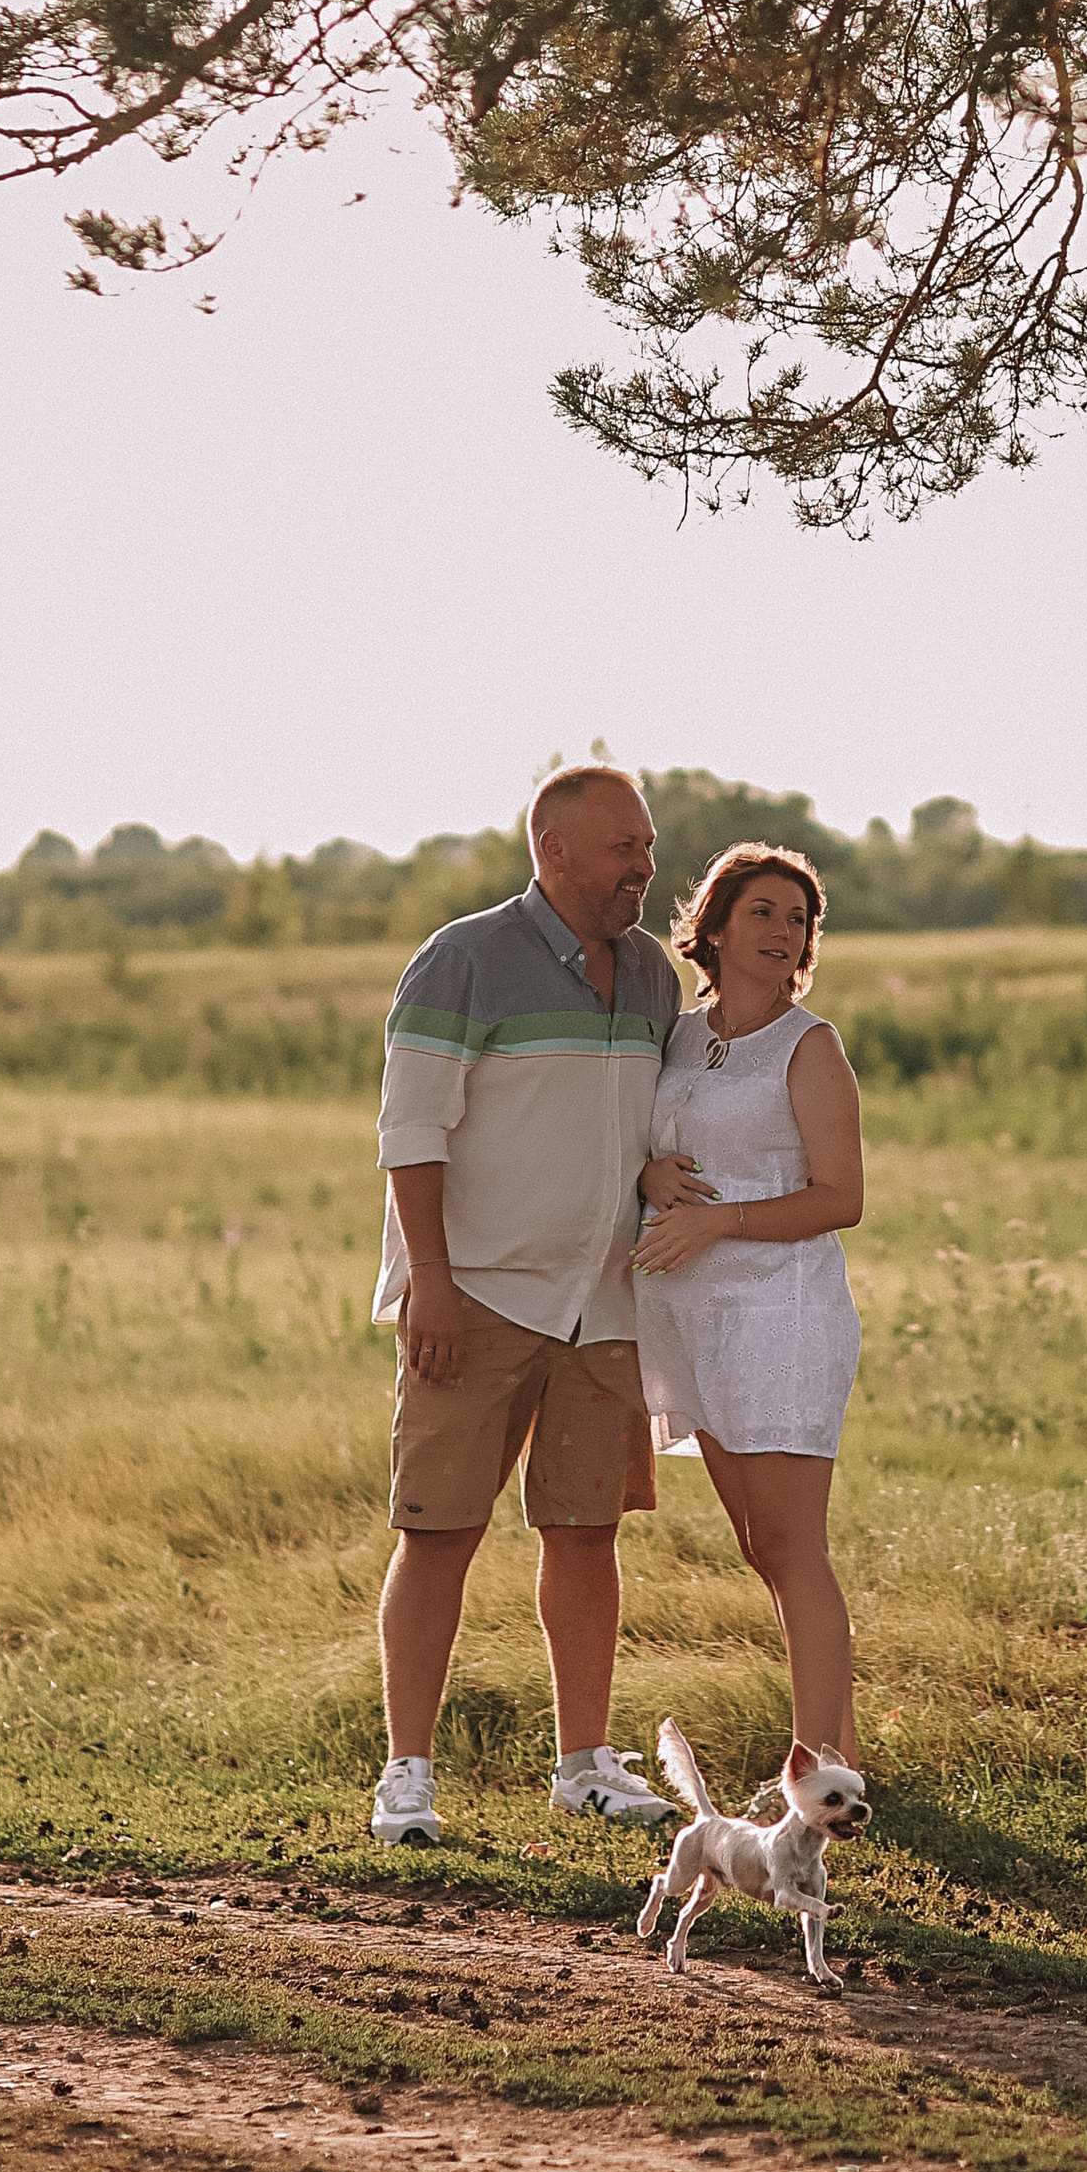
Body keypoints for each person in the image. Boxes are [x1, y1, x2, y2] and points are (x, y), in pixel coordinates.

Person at [367, 766, 682, 1848]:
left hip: (606, 1305)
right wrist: (433, 1285)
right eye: (624, 849)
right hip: (479, 1298)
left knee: (586, 1533)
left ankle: (584, 1766)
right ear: (553, 851)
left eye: (646, 846)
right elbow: (410, 1132)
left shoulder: (649, 977)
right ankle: (406, 1775)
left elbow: (639, 1130)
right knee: (440, 1529)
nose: (645, 868)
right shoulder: (464, 959)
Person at [630, 843, 866, 1764]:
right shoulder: (685, 1035)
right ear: (716, 928)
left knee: (792, 1544)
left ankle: (814, 1772)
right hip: (692, 1316)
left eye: (799, 919)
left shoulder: (809, 1047)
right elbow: (661, 1140)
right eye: (763, 912)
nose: (784, 932)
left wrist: (718, 1227)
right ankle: (842, 1754)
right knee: (760, 1544)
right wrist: (651, 1170)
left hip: (782, 1313)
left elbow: (840, 1197)